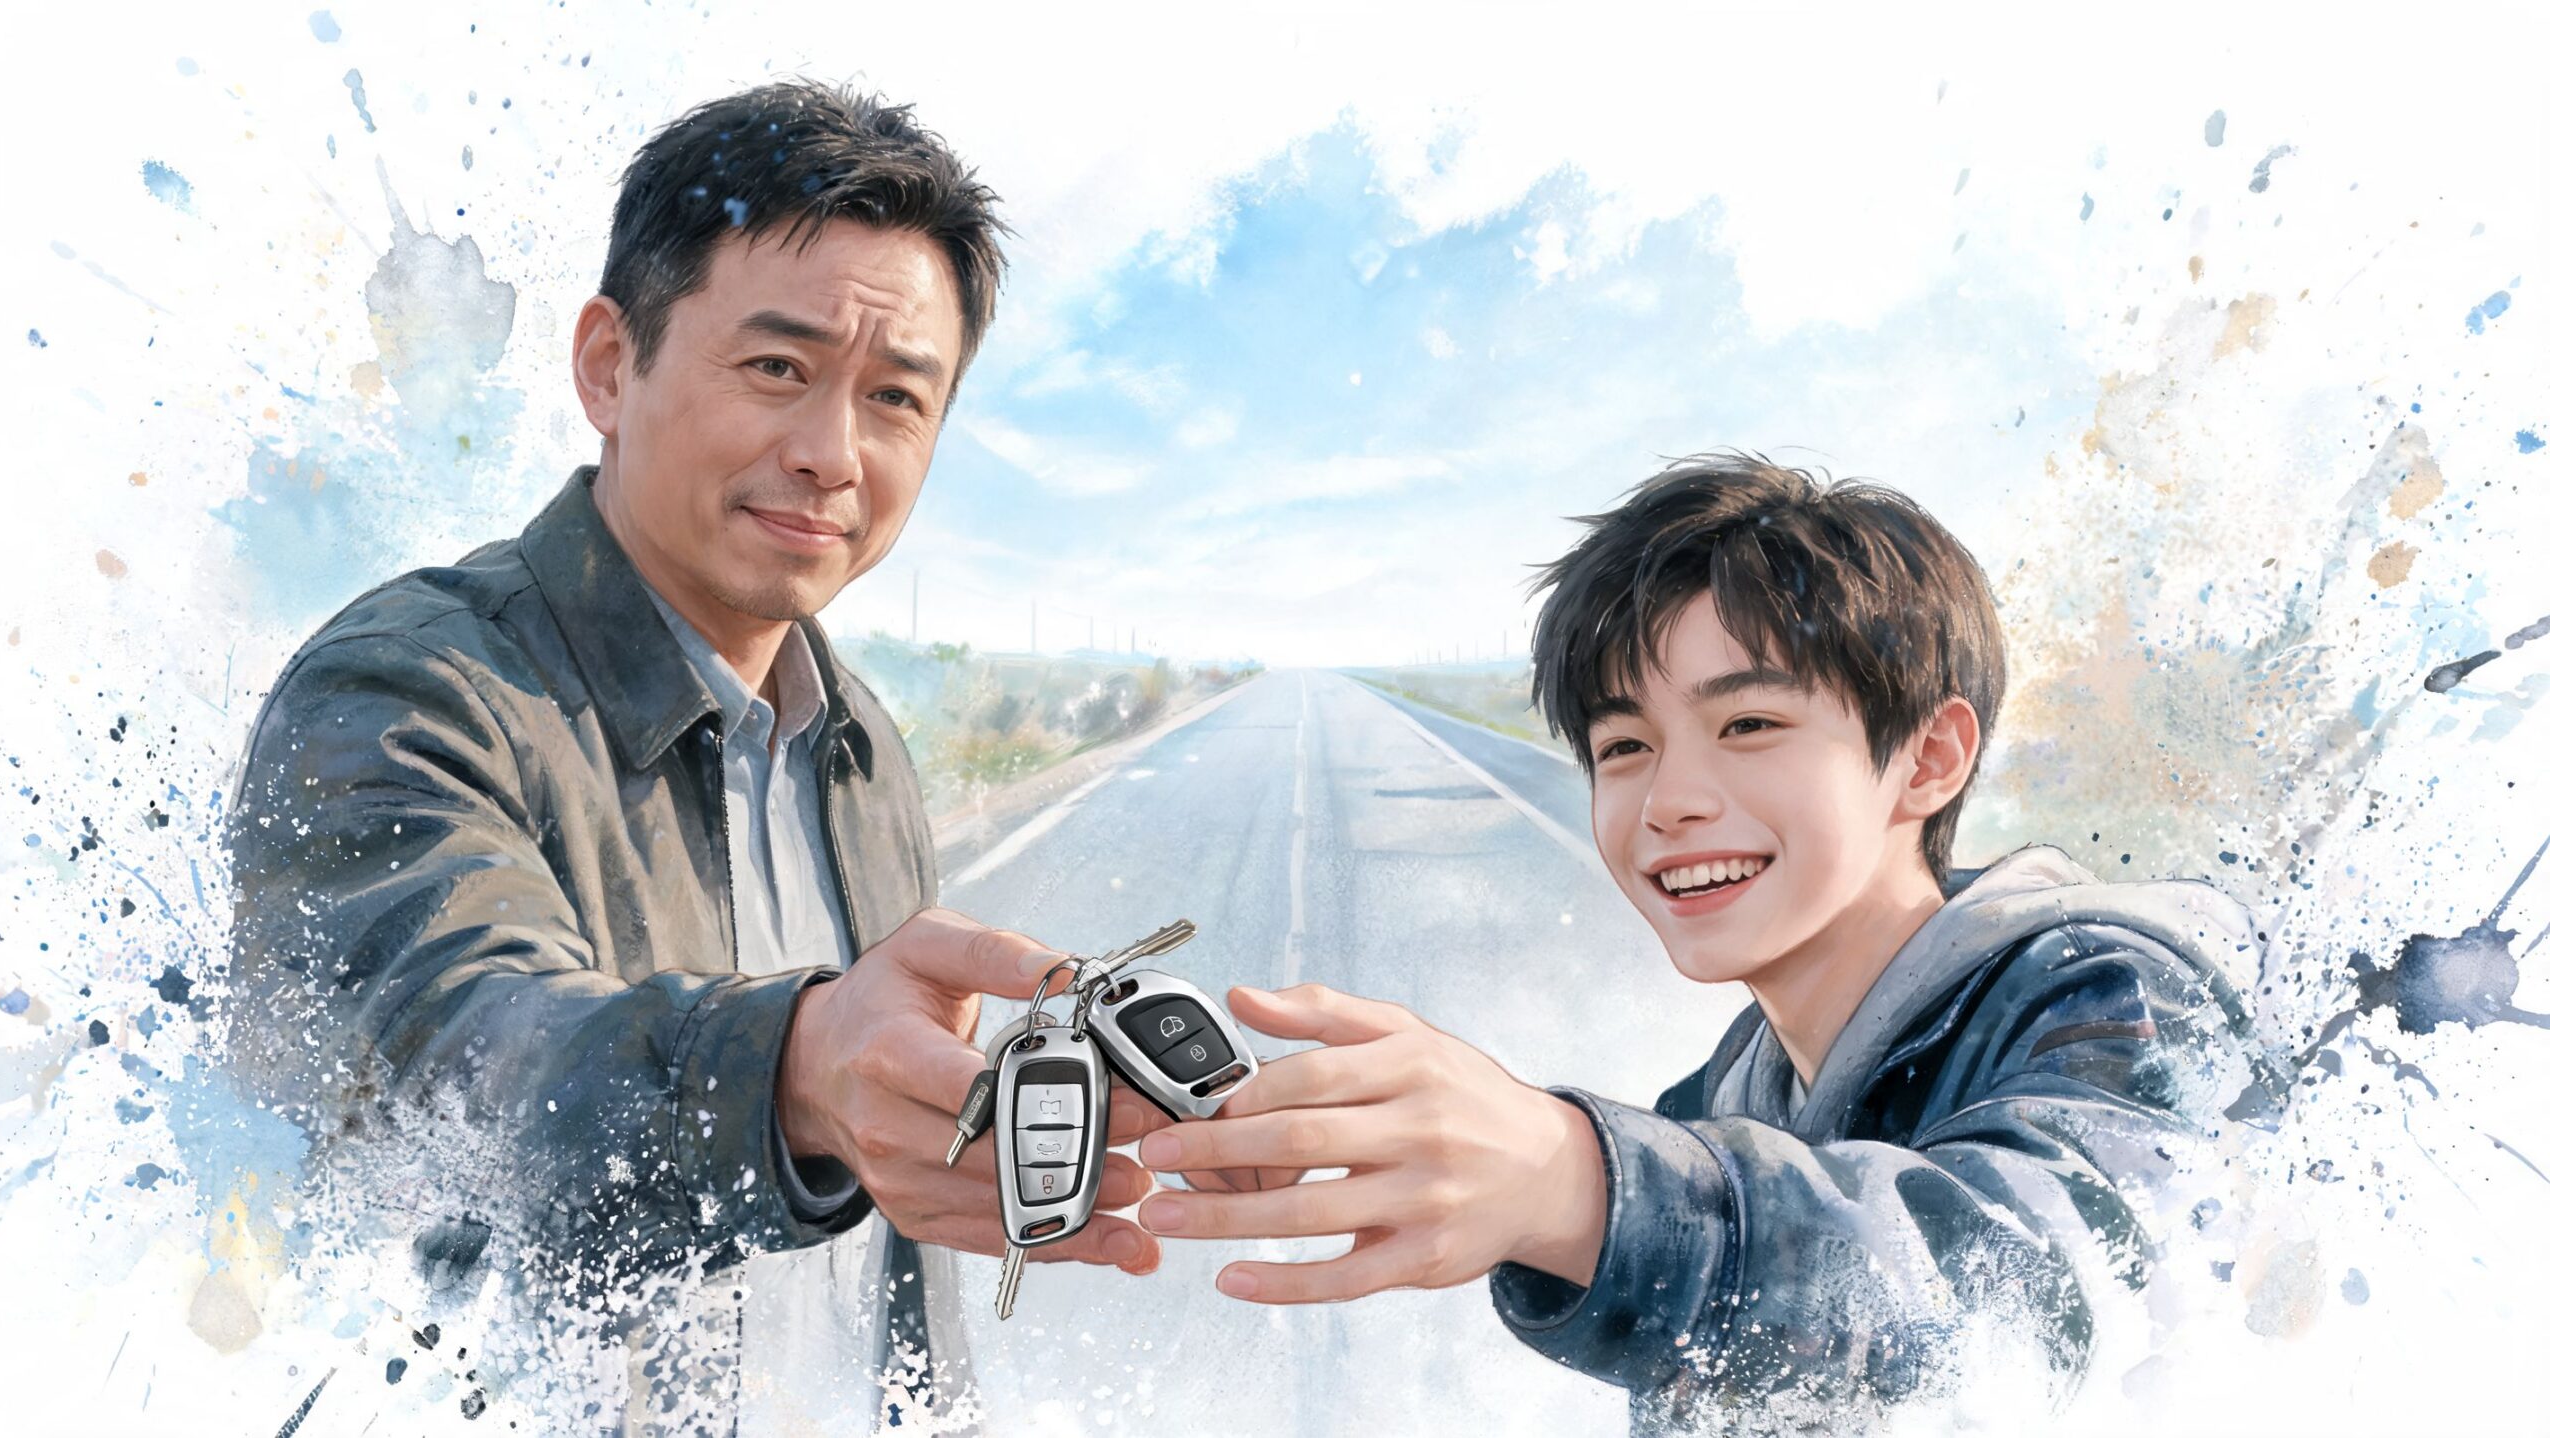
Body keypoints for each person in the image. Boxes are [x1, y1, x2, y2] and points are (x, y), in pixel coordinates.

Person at [224, 81, 1162, 1432]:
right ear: (610, 364)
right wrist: (791, 1070)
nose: (832, 454)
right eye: (777, 367)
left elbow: (879, 1260)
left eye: (896, 397)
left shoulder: (859, 752)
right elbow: (453, 1076)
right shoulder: (405, 688)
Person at [1132, 454, 2261, 1427]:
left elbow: (2039, 1317)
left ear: (1927, 758)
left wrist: (1572, 1183)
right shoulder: (1715, 1109)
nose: (1668, 799)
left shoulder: (2111, 996)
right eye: (1623, 746)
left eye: (1749, 724)